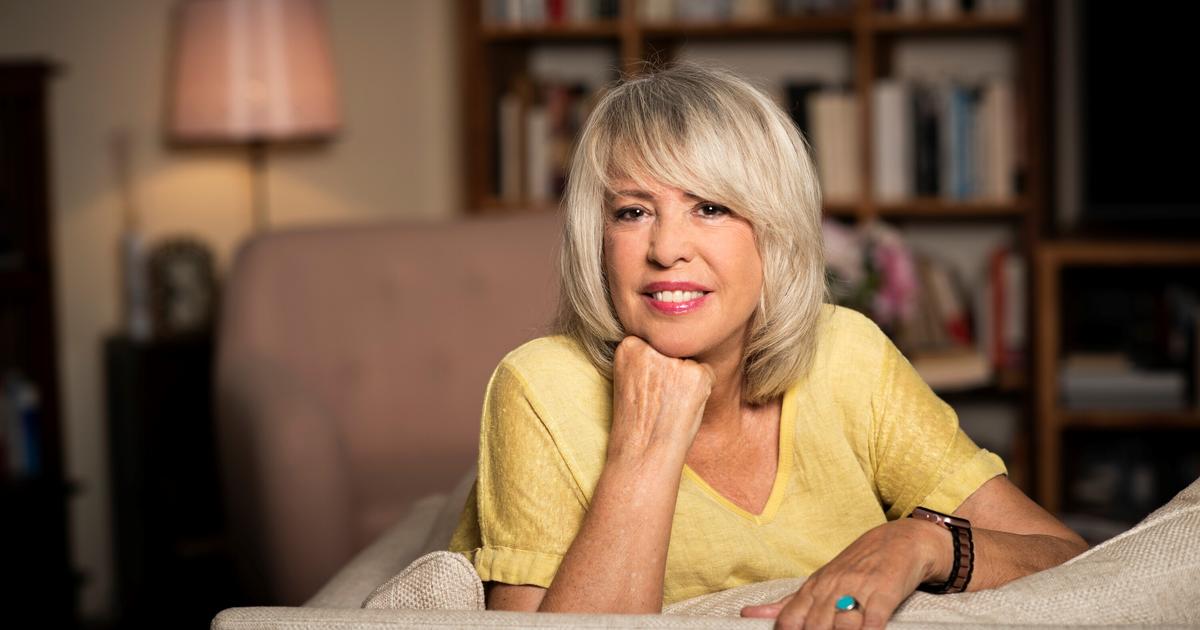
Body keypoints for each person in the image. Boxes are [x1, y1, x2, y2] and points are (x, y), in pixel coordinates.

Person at [448, 62, 1087, 630]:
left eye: (710, 208)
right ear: (597, 239)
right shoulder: (539, 386)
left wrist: (922, 543)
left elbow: (1070, 560)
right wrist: (646, 446)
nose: (666, 249)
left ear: (775, 231)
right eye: (632, 212)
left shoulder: (847, 354)